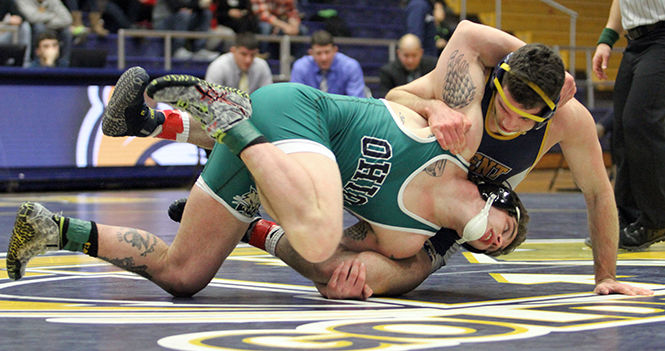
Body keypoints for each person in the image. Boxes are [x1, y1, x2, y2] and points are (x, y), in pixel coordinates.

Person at [6, 66, 526, 300]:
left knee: (184, 275)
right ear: (499, 195)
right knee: (316, 226)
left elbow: (334, 261)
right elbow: (464, 44)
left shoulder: (405, 240)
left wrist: (341, 281)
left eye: (501, 248)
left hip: (277, 160)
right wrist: (432, 103)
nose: (499, 241)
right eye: (511, 226)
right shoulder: (459, 140)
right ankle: (222, 121)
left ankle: (51, 228)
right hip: (302, 112)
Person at [591, 0, 665, 250]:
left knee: (641, 121)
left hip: (662, 39)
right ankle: (627, 217)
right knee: (622, 128)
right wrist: (606, 39)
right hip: (635, 43)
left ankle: (657, 219)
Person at [290, 30, 366, 98]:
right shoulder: (300, 67)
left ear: (335, 50)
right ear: (311, 53)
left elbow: (356, 102)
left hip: (343, 112)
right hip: (310, 112)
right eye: (319, 53)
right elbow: (297, 100)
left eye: (327, 52)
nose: (324, 58)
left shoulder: (350, 67)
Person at [205, 32, 272, 94]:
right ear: (233, 50)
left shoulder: (262, 66)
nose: (248, 60)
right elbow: (211, 98)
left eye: (252, 55)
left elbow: (267, 95)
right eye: (243, 54)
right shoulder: (218, 67)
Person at [152, 0, 219, 61]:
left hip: (184, 19)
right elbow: (176, 6)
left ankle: (199, 50)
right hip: (162, 22)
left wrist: (199, 5)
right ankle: (177, 49)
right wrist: (198, 4)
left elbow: (195, 5)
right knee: (184, 14)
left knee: (206, 13)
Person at [377, 33, 437, 98]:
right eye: (406, 55)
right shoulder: (387, 72)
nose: (410, 60)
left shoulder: (433, 66)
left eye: (414, 55)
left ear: (421, 53)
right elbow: (385, 98)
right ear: (398, 53)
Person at [16, 0, 73, 66]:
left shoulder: (54, 1)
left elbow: (67, 19)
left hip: (53, 27)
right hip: (33, 29)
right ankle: (37, 62)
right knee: (39, 27)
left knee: (66, 32)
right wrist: (53, 16)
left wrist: (46, 22)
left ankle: (65, 63)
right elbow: (32, 18)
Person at [0, 0, 32, 66]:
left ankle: (25, 64)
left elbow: (20, 18)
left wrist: (10, 20)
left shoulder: (5, 1)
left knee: (25, 26)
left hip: (2, 36)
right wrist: (6, 20)